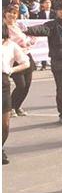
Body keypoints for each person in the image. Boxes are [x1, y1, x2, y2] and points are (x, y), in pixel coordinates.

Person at [23, 0, 62, 124]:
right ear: (56, 11)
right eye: (60, 9)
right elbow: (40, 29)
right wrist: (26, 29)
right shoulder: (52, 25)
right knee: (61, 90)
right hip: (58, 62)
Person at [2, 23, 31, 164]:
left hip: (3, 82)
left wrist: (11, 70)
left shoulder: (10, 45)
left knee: (5, 124)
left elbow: (26, 62)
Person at [3, 6, 37, 116]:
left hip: (26, 56)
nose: (12, 15)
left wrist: (30, 41)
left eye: (14, 13)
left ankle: (17, 106)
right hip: (13, 59)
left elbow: (25, 39)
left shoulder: (17, 26)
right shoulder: (3, 27)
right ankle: (10, 107)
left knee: (27, 85)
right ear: (5, 14)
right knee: (21, 85)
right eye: (10, 12)